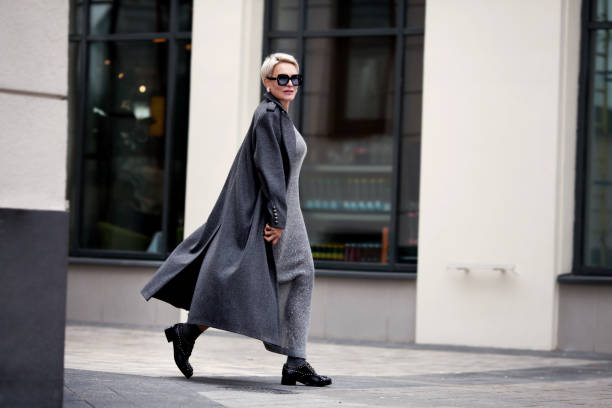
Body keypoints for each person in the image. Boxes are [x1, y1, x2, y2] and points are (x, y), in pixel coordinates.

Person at [140, 52, 331, 387]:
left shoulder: (280, 117)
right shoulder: (268, 115)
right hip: (277, 212)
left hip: (287, 210)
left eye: (294, 79)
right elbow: (269, 169)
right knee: (289, 275)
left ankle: (190, 332)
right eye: (281, 78)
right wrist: (277, 218)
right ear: (267, 82)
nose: (289, 84)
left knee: (261, 278)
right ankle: (294, 361)